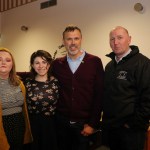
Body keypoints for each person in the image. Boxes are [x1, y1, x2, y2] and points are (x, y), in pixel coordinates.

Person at [52, 25, 104, 150]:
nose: (73, 43)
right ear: (63, 41)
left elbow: (100, 94)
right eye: (69, 39)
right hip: (61, 124)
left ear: (81, 39)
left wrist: (92, 124)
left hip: (84, 125)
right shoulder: (57, 64)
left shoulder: (95, 62)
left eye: (76, 38)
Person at [102, 26, 150, 150]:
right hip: (111, 130)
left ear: (129, 39)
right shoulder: (109, 66)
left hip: (131, 132)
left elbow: (148, 99)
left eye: (120, 38)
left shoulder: (143, 64)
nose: (115, 42)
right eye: (112, 39)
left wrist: (133, 124)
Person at [25, 50, 59, 150]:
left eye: (44, 62)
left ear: (49, 64)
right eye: (37, 63)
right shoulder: (26, 82)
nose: (41, 66)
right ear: (32, 65)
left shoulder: (56, 82)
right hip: (32, 125)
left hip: (51, 125)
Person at [0, 47, 33, 150]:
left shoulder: (19, 83)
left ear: (12, 64)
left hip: (19, 124)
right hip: (2, 126)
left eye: (8, 60)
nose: (3, 62)